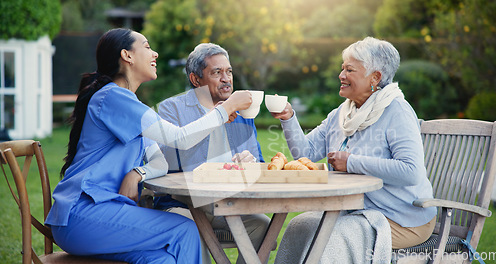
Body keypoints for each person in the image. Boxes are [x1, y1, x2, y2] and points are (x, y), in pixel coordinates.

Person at [45, 28, 253, 264]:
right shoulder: (113, 97)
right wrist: (225, 109)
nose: (154, 54)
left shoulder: (131, 105)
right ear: (127, 55)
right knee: (185, 230)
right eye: (146, 46)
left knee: (163, 259)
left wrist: (138, 173)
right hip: (82, 215)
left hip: (103, 216)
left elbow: (159, 161)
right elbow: (180, 138)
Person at [272, 37, 437, 259]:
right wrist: (288, 118)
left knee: (332, 238)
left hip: (401, 219)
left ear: (375, 77)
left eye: (350, 70)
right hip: (353, 210)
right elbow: (306, 155)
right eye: (343, 69)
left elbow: (411, 172)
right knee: (299, 226)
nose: (341, 76)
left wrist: (351, 162)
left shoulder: (397, 111)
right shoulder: (342, 114)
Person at [155, 43, 271, 264]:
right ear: (196, 79)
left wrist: (250, 162)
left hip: (227, 203)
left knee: (262, 225)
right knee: (189, 229)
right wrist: (218, 114)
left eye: (229, 71)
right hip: (182, 204)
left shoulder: (242, 112)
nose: (226, 78)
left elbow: (259, 163)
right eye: (217, 72)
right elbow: (172, 164)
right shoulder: (172, 109)